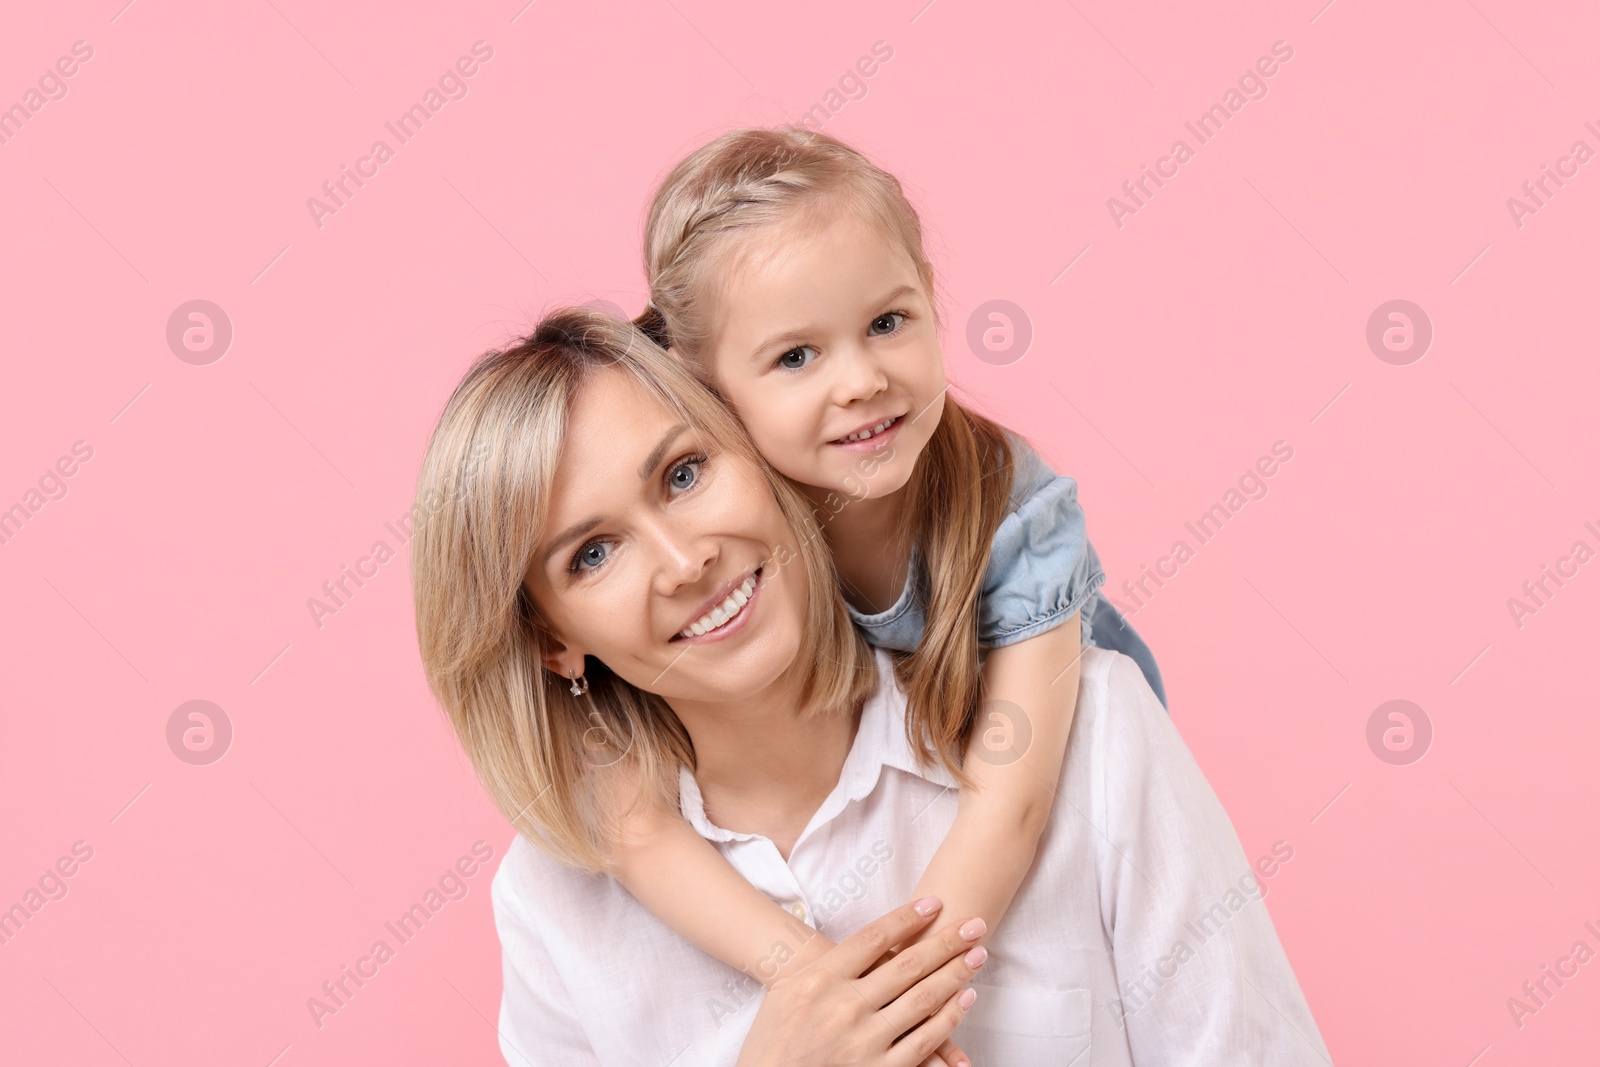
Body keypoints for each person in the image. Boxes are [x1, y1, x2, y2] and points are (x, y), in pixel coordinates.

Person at [409, 309, 1333, 1065]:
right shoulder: (553, 908)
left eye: (685, 473)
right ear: (551, 639)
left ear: (759, 455)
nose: (685, 561)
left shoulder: (1092, 732)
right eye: (594, 553)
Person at [602, 123, 1174, 988]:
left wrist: (895, 1006)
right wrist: (817, 984)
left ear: (931, 299)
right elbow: (627, 822)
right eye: (796, 355)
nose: (861, 379)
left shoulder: (1013, 513)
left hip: (1058, 790)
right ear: (707, 387)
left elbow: (1010, 811)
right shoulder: (738, 525)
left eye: (887, 322)